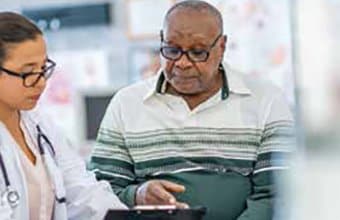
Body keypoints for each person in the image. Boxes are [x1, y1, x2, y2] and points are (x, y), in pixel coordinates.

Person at [90, 1, 295, 219]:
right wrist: (137, 195)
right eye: (172, 50)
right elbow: (100, 190)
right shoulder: (127, 104)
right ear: (161, 40)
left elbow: (277, 193)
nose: (182, 63)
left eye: (198, 52)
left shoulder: (266, 101)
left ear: (222, 47)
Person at [0, 12, 126, 220]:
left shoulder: (40, 126)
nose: (41, 82)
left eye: (43, 68)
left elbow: (83, 192)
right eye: (28, 72)